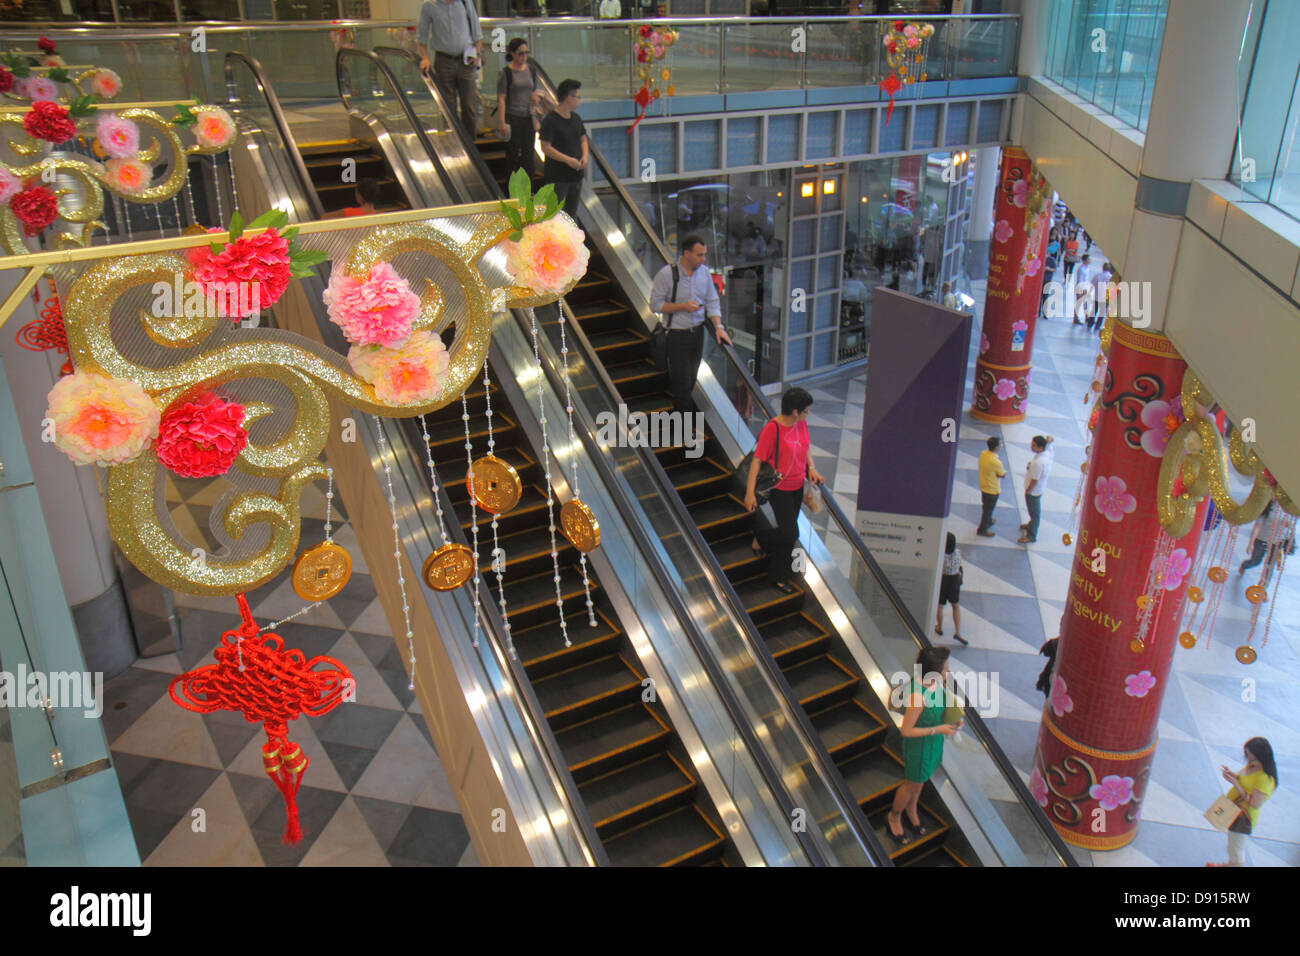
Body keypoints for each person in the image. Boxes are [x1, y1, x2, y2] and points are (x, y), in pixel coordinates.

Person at [744, 387, 825, 596]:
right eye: (806, 411)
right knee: (791, 533)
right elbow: (757, 460)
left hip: (798, 486)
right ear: (795, 411)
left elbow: (805, 447)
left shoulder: (801, 424)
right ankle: (775, 571)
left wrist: (812, 468)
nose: (808, 414)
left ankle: (767, 551)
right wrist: (749, 492)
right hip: (779, 489)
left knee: (787, 534)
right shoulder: (773, 429)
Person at [649, 234, 731, 415]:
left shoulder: (704, 274)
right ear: (687, 253)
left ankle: (683, 423)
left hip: (698, 334)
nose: (704, 258)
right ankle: (683, 430)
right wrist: (682, 307)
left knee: (691, 381)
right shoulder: (667, 275)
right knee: (683, 385)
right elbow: (655, 305)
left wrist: (718, 327)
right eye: (699, 255)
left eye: (704, 254)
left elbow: (712, 301)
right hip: (677, 336)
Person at [888, 646, 961, 846]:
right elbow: (906, 730)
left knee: (921, 781)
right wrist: (938, 730)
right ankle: (894, 817)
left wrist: (953, 719)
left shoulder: (936, 684)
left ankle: (911, 809)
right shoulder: (917, 696)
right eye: (946, 668)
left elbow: (942, 703)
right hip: (919, 746)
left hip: (933, 742)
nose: (948, 672)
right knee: (912, 784)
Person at [416, 0, 484, 137]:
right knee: (448, 106)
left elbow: (477, 33)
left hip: (466, 59)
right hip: (443, 61)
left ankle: (471, 143)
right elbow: (421, 36)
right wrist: (425, 57)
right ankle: (454, 142)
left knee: (470, 105)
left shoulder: (465, 2)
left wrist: (477, 55)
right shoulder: (429, 5)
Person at [1208, 737, 1277, 867]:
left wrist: (1236, 784)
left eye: (1249, 755)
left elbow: (1254, 804)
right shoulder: (1252, 766)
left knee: (1236, 851)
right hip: (1232, 808)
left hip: (1243, 817)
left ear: (1259, 756)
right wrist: (1233, 775)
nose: (1246, 757)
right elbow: (1245, 780)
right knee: (1232, 845)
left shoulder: (1265, 779)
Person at [539, 78, 588, 218]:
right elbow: (545, 147)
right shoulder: (550, 121)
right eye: (577, 96)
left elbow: (583, 139)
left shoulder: (576, 118)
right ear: (568, 97)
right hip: (558, 176)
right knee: (556, 215)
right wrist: (567, 160)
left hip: (575, 175)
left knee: (571, 215)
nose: (579, 100)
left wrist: (584, 156)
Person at [495, 38, 541, 182]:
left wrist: (535, 97)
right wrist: (501, 122)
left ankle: (529, 188)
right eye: (520, 53)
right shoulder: (506, 73)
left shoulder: (531, 70)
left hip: (528, 116)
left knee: (528, 155)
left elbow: (534, 89)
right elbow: (501, 98)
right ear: (513, 54)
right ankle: (512, 189)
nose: (524, 56)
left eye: (526, 53)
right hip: (513, 116)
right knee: (512, 154)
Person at [1239, 501, 1295, 575]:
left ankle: (1263, 584)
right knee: (1255, 561)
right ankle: (1244, 565)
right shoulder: (1267, 507)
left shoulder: (1290, 510)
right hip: (1261, 540)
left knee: (1270, 566)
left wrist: (1290, 526)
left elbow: (1291, 529)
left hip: (1277, 542)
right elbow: (1257, 527)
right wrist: (1250, 544)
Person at [1019, 435, 1054, 544]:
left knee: (1034, 513)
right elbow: (1050, 445)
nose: (1031, 447)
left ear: (1040, 448)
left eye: (1034, 446)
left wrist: (1028, 490)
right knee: (1033, 512)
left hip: (1033, 491)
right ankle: (1030, 525)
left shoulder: (1039, 463)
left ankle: (1031, 535)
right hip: (1039, 489)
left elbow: (1035, 479)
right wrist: (1050, 441)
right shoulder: (1047, 453)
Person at [935, 533, 965, 645]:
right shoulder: (958, 553)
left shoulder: (940, 556)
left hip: (943, 581)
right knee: (955, 606)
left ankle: (939, 627)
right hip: (954, 581)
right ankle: (958, 632)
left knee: (940, 606)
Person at [976, 435, 1005, 537]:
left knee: (986, 507)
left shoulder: (983, 454)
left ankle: (988, 520)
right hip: (992, 489)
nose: (1001, 445)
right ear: (996, 447)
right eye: (1000, 444)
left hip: (984, 486)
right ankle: (982, 529)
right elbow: (1003, 474)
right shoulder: (996, 462)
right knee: (988, 510)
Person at [1087, 260, 1112, 332]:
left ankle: (1090, 324)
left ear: (1103, 268)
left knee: (1094, 311)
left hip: (1097, 296)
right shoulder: (1110, 277)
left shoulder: (1098, 276)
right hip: (1105, 298)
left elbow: (1092, 285)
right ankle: (1098, 326)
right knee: (1102, 313)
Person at [1072, 252, 1095, 325]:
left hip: (1086, 288)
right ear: (1084, 260)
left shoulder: (1087, 268)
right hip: (1081, 288)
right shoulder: (1081, 269)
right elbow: (1080, 280)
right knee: (1079, 303)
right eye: (1088, 259)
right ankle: (1075, 318)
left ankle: (1087, 316)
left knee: (1086, 303)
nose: (1090, 261)